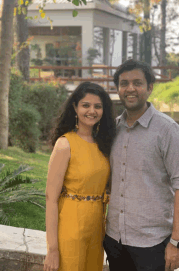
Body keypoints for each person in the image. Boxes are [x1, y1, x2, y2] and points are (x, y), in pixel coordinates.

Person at [103, 59, 179, 271]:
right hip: (115, 240)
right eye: (124, 83)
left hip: (152, 245)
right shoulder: (113, 129)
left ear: (149, 87)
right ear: (118, 89)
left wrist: (177, 242)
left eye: (137, 83)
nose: (130, 89)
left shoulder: (168, 131)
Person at [44, 82, 116, 271]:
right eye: (86, 105)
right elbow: (51, 198)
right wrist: (52, 249)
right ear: (75, 108)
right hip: (71, 223)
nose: (92, 111)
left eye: (97, 106)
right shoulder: (65, 144)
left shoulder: (104, 145)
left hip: (96, 227)